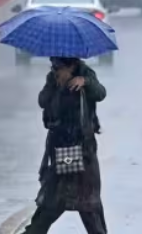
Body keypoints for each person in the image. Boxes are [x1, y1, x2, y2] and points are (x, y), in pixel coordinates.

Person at [23, 56, 108, 234]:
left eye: (58, 68)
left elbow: (100, 93)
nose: (54, 71)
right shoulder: (53, 80)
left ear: (71, 66)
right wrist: (58, 87)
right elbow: (43, 101)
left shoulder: (86, 74)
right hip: (62, 147)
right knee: (56, 197)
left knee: (86, 201)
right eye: (53, 67)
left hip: (83, 149)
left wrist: (85, 82)